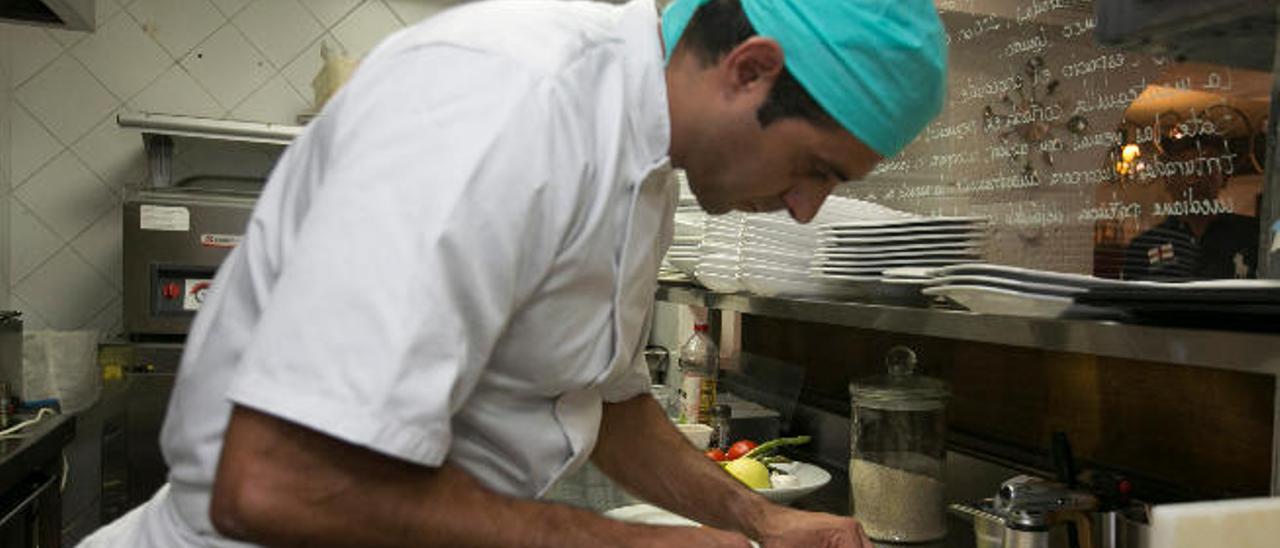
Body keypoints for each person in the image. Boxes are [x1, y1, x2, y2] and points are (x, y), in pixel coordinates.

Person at [79, 0, 946, 546]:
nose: (806, 209)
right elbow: (275, 487)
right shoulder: (509, 98)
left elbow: (599, 402)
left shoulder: (643, 163)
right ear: (749, 69)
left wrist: (759, 518)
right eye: (817, 169)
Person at [1122, 134, 1259, 281]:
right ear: (1168, 180)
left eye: (1206, 168)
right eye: (1184, 169)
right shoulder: (1144, 246)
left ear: (1223, 178)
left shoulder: (1252, 235)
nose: (1195, 178)